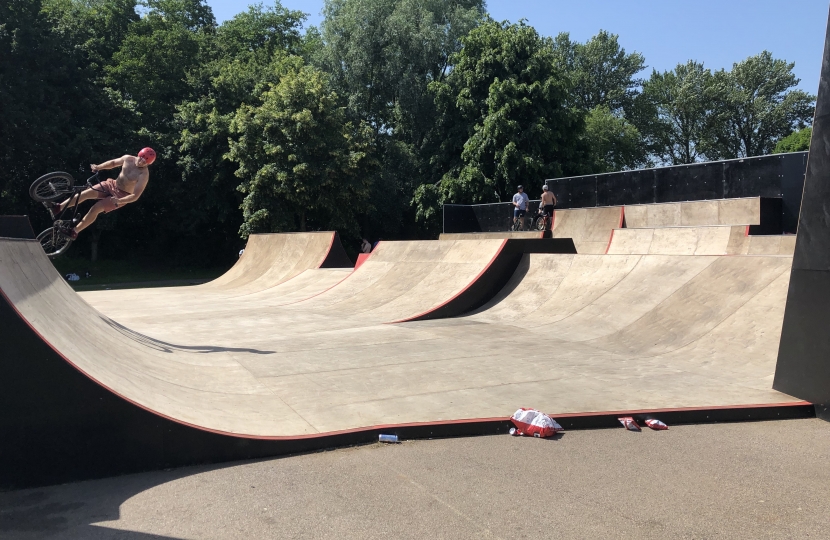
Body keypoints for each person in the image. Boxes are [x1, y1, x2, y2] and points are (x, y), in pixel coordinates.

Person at [46, 147, 156, 239]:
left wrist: (119, 201)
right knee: (85, 193)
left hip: (122, 196)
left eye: (145, 162)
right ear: (139, 154)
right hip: (112, 184)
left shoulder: (143, 175)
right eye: (141, 158)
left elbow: (135, 196)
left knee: (96, 208)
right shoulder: (128, 159)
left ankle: (74, 231)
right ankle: (58, 208)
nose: (141, 162)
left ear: (148, 164)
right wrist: (98, 167)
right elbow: (113, 163)